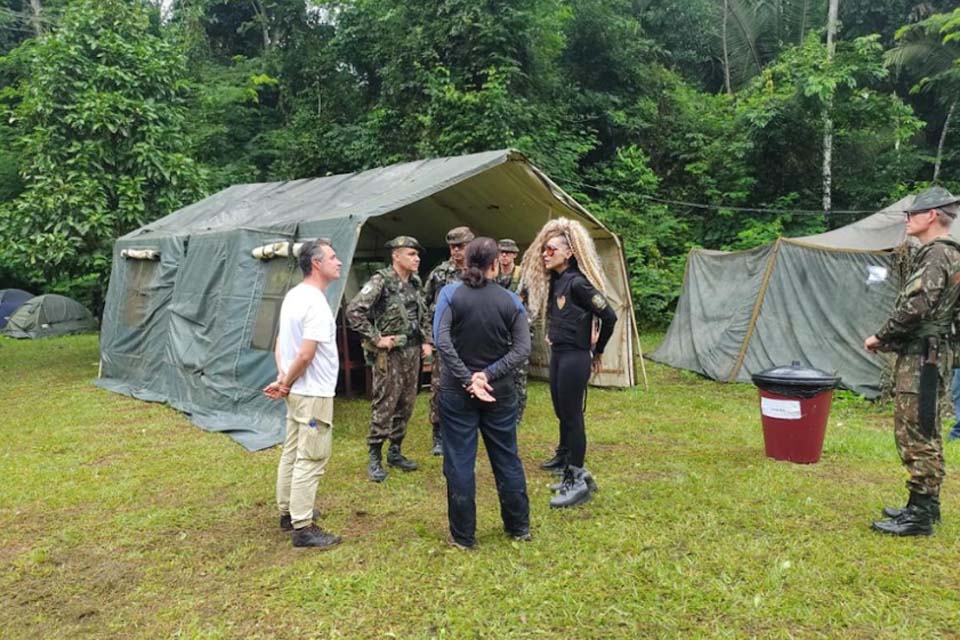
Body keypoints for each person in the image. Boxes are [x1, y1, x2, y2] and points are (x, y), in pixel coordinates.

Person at [865, 186, 960, 536]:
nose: (907, 219)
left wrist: (882, 337)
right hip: (934, 353)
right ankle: (924, 506)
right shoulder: (952, 254)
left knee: (915, 431)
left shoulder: (936, 254)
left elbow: (917, 306)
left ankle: (919, 517)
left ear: (932, 215)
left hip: (923, 356)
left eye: (912, 214)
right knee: (927, 427)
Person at [434, 237, 532, 548]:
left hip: (457, 392)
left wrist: (468, 378)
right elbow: (522, 349)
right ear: (494, 264)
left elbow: (441, 341)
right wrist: (487, 375)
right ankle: (519, 528)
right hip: (499, 391)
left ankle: (463, 537)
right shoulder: (510, 300)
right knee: (507, 457)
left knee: (460, 461)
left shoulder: (450, 294)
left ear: (465, 262)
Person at [518, 218, 617, 508]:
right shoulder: (557, 281)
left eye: (551, 249)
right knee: (563, 412)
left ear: (569, 253)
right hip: (560, 354)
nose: (545, 254)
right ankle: (571, 468)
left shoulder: (579, 283)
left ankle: (577, 478)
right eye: (544, 250)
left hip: (575, 357)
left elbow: (609, 316)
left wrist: (597, 350)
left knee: (573, 417)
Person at [263, 238, 343, 549]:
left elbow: (282, 343)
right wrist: (287, 381)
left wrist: (284, 377)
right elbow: (307, 354)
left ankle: (288, 511)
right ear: (316, 264)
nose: (338, 262)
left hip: (297, 392)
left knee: (293, 451)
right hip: (313, 395)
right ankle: (303, 527)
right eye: (333, 258)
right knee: (312, 456)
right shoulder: (316, 303)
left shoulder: (293, 297)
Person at [345, 236, 433, 483]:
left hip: (412, 352)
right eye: (411, 254)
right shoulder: (381, 281)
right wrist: (376, 338)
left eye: (417, 255)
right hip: (390, 355)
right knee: (385, 403)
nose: (416, 259)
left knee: (407, 403)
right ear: (396, 256)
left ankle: (395, 451)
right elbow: (354, 310)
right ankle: (375, 456)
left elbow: (422, 313)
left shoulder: (415, 282)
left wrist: (426, 340)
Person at [424, 226, 475, 455]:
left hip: (471, 342)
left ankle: (466, 429)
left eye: (461, 246)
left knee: (471, 384)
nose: (457, 251)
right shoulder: (439, 274)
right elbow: (424, 306)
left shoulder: (478, 272)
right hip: (444, 343)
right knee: (440, 387)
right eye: (453, 247)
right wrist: (428, 338)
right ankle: (439, 434)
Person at [496, 238, 529, 424]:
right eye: (501, 253)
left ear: (515, 255)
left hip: (517, 334)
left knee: (519, 376)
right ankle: (500, 409)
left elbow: (532, 306)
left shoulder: (523, 278)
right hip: (498, 334)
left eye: (508, 253)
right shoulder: (493, 276)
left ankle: (517, 414)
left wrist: (523, 326)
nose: (504, 256)